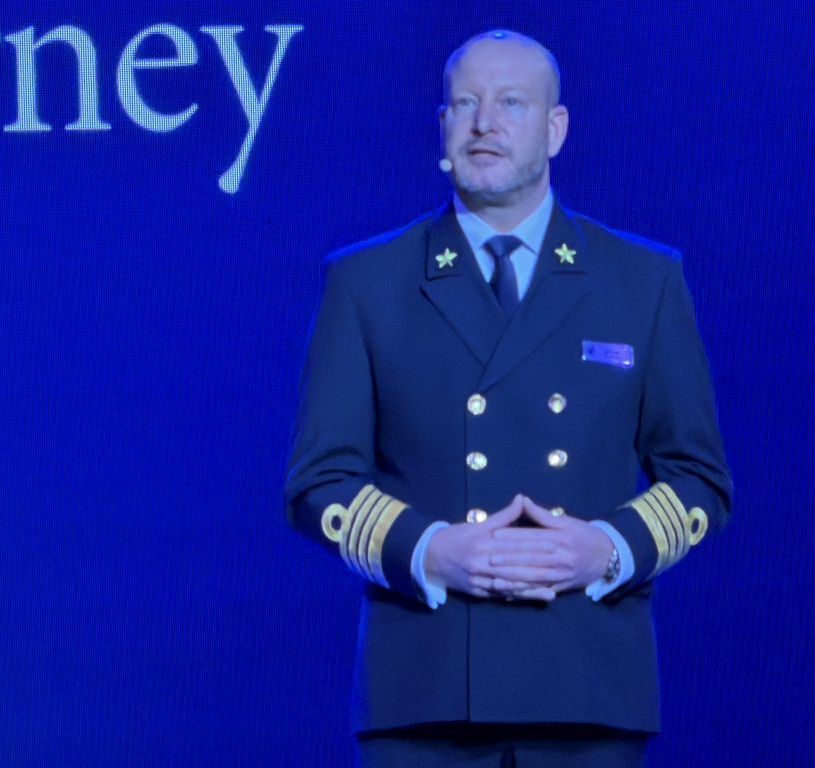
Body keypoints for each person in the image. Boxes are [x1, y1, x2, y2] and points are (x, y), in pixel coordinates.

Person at [284, 29, 731, 768]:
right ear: (442, 126)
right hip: (425, 688)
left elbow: (699, 477)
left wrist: (606, 550)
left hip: (587, 684)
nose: (483, 123)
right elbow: (317, 482)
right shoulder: (366, 282)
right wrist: (432, 551)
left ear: (555, 129)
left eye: (511, 104)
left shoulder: (642, 280)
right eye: (465, 104)